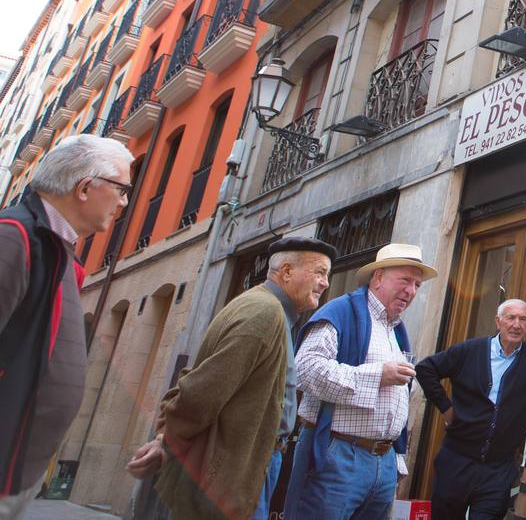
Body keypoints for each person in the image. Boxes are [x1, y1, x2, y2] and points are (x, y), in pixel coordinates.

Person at [127, 237, 335, 520]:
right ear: (286, 272)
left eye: (327, 275)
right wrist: (167, 437)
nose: (325, 283)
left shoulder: (268, 310)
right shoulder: (264, 313)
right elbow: (201, 391)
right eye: (320, 272)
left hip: (249, 465)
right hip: (235, 473)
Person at [0, 135, 132, 520]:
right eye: (121, 189)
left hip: (16, 466)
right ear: (85, 188)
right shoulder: (15, 239)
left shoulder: (55, 248)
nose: (125, 202)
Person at [284, 242, 436, 520]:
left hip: (383, 463)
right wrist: (379, 376)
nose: (411, 291)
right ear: (378, 277)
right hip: (338, 456)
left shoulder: (396, 327)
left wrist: (394, 461)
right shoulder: (340, 312)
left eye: (417, 285)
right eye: (405, 280)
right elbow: (306, 371)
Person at [415, 299, 526, 520]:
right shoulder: (469, 350)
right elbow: (425, 369)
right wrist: (446, 408)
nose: (516, 324)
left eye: (523, 319)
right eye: (511, 318)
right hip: (457, 462)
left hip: (498, 470)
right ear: (498, 321)